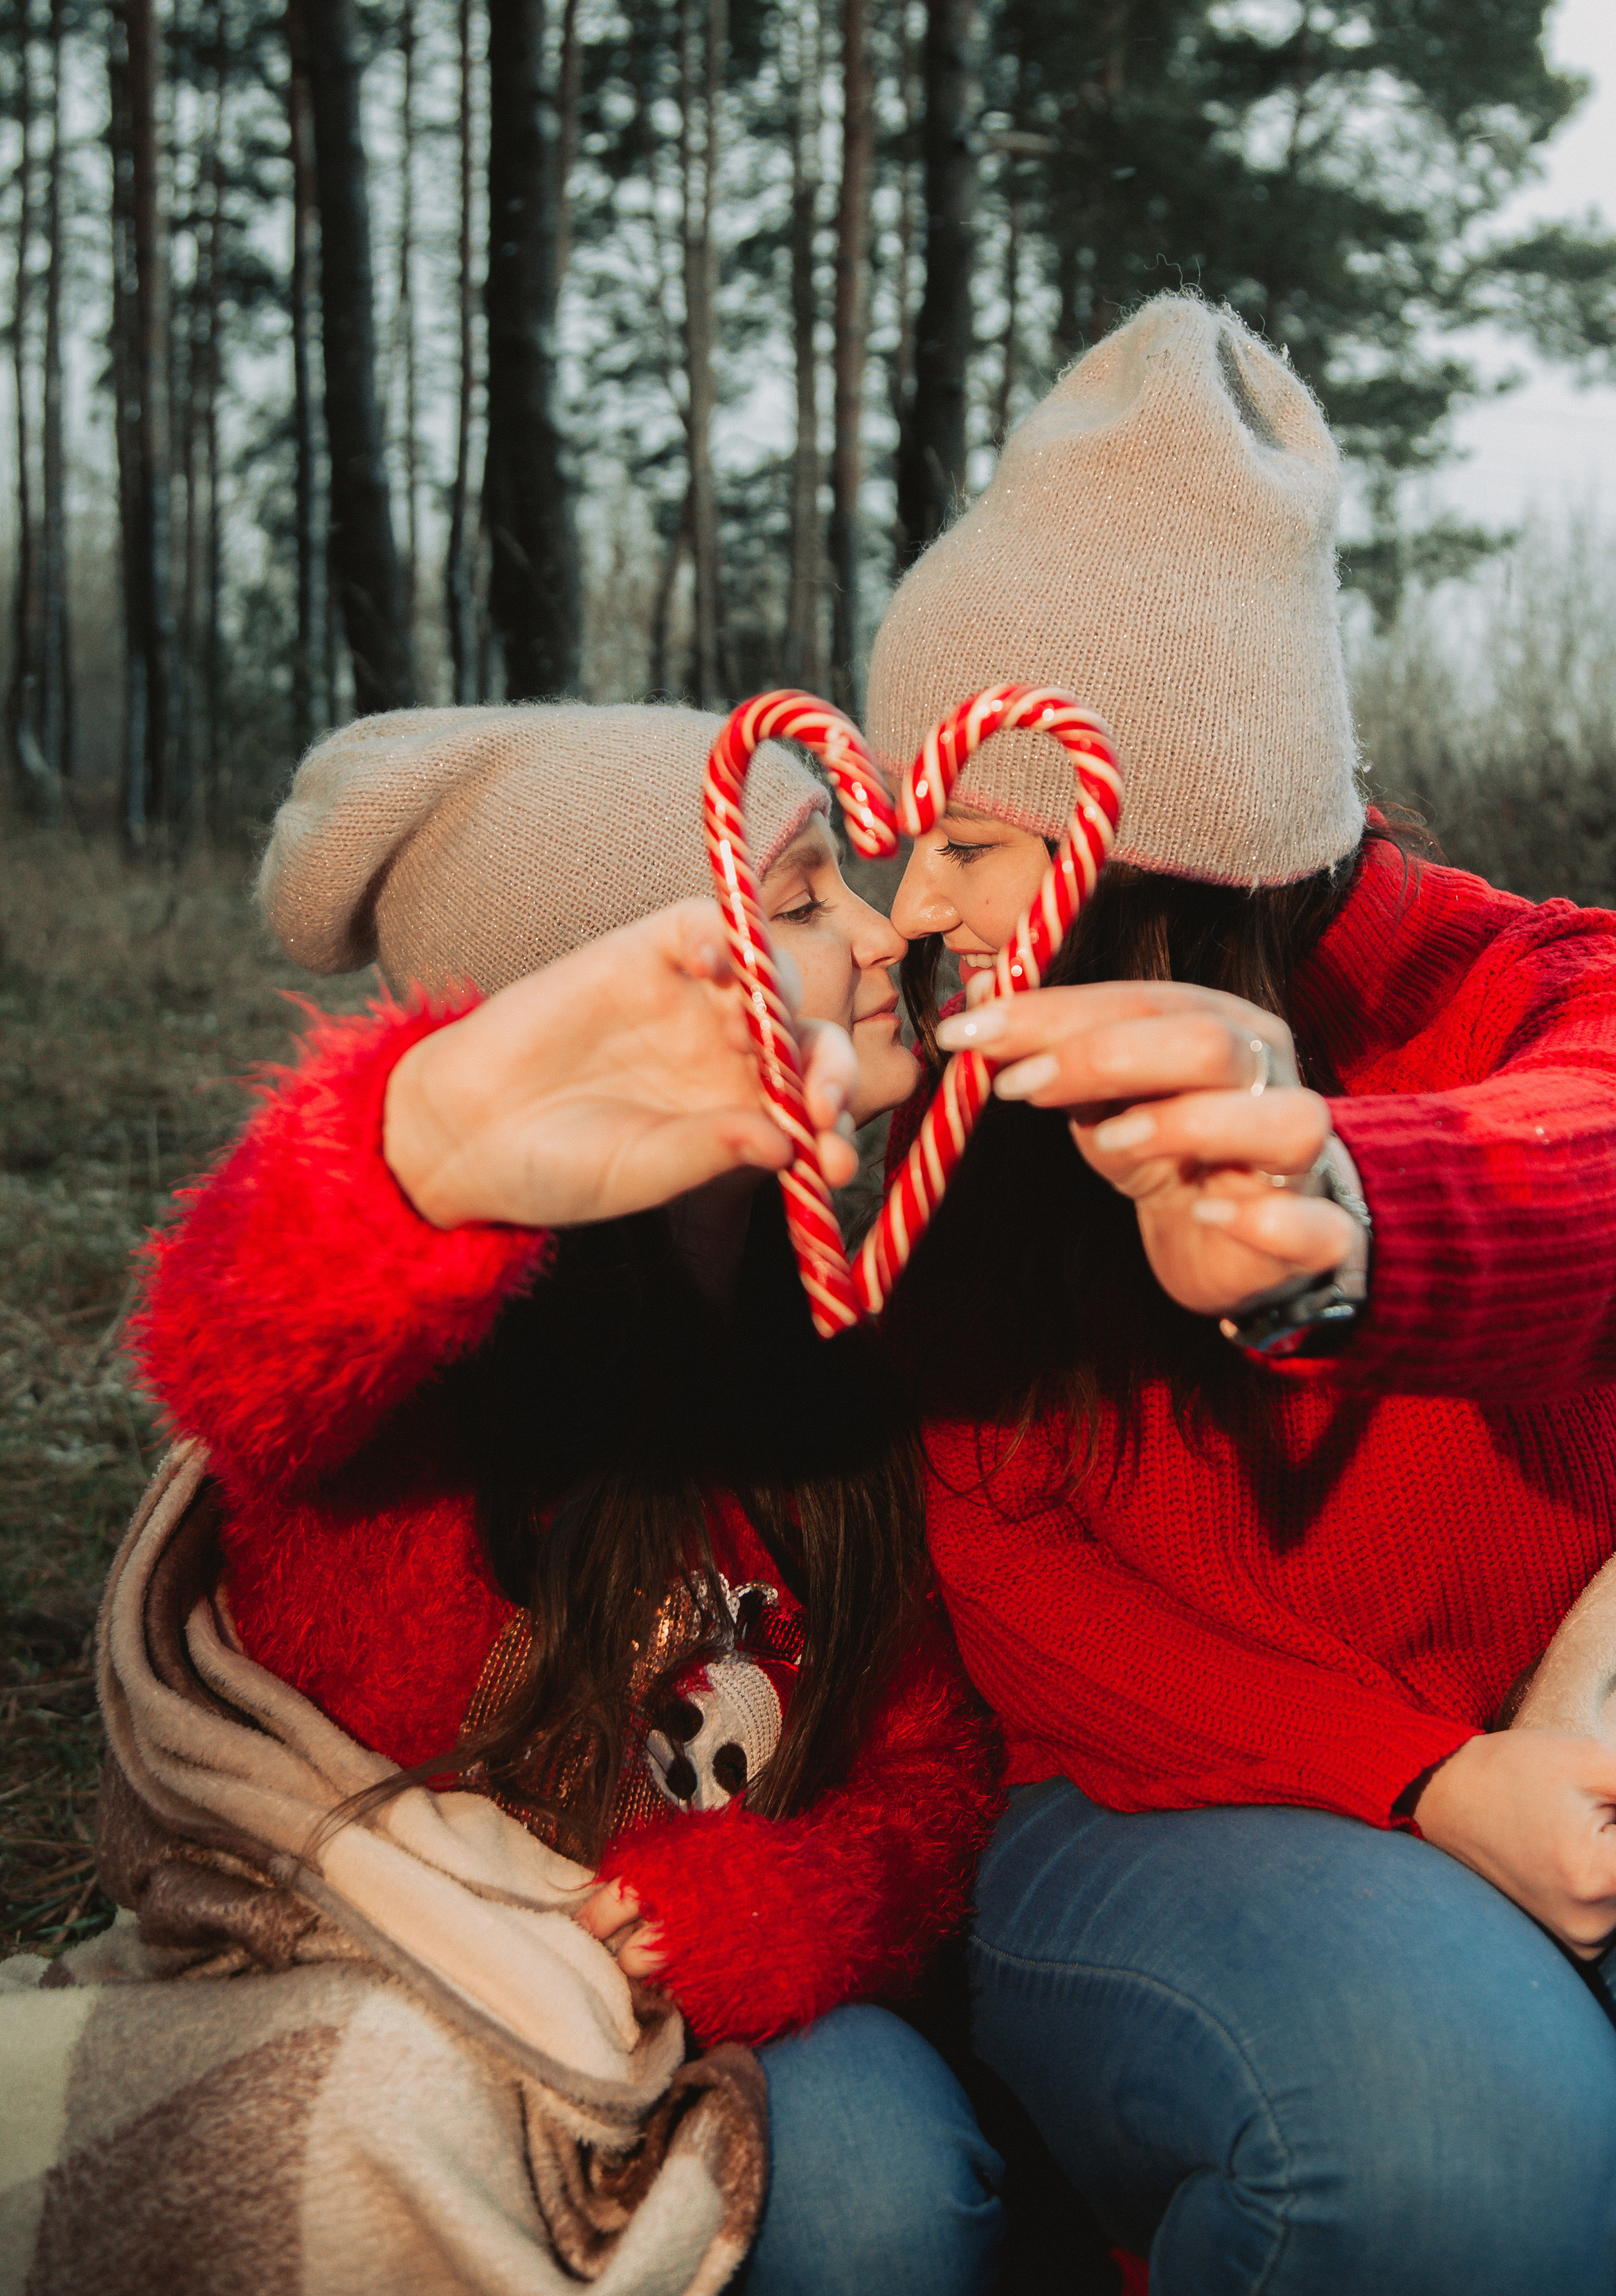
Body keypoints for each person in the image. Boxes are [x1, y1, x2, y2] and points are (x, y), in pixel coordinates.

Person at [861, 295, 1616, 2294]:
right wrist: (1430, 1787)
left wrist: (1348, 1224)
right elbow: (1022, 1598)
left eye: (972, 838)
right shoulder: (947, 1106)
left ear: (1160, 845)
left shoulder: (1561, 992)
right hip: (1163, 1790)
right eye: (907, 829)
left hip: (1607, 1705)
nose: (915, 900)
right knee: (1460, 2152)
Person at [132, 703, 1005, 2296]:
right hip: (415, 2004)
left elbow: (932, 1777)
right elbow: (234, 1345)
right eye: (803, 897)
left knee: (893, 2183)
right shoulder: (405, 1398)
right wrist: (420, 1154)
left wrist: (721, 1922)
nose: (884, 935)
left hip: (766, 2026)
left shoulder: (858, 1357)